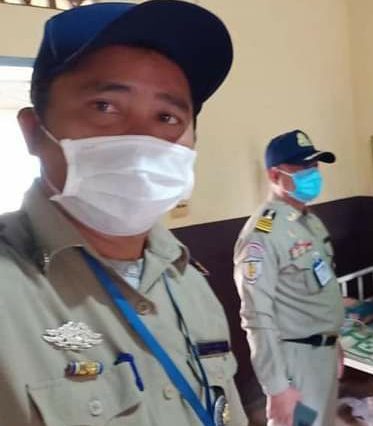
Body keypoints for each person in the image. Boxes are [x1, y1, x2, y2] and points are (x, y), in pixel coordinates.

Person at [0, 2, 247, 425]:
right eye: (105, 107)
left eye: (167, 117)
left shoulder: (187, 281)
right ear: (33, 132)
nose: (142, 139)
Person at [234, 130, 344, 426]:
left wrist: (334, 341)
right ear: (274, 175)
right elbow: (256, 315)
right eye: (303, 167)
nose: (313, 174)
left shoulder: (311, 221)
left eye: (315, 166)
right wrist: (277, 387)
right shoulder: (262, 233)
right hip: (296, 362)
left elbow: (321, 290)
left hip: (323, 354)